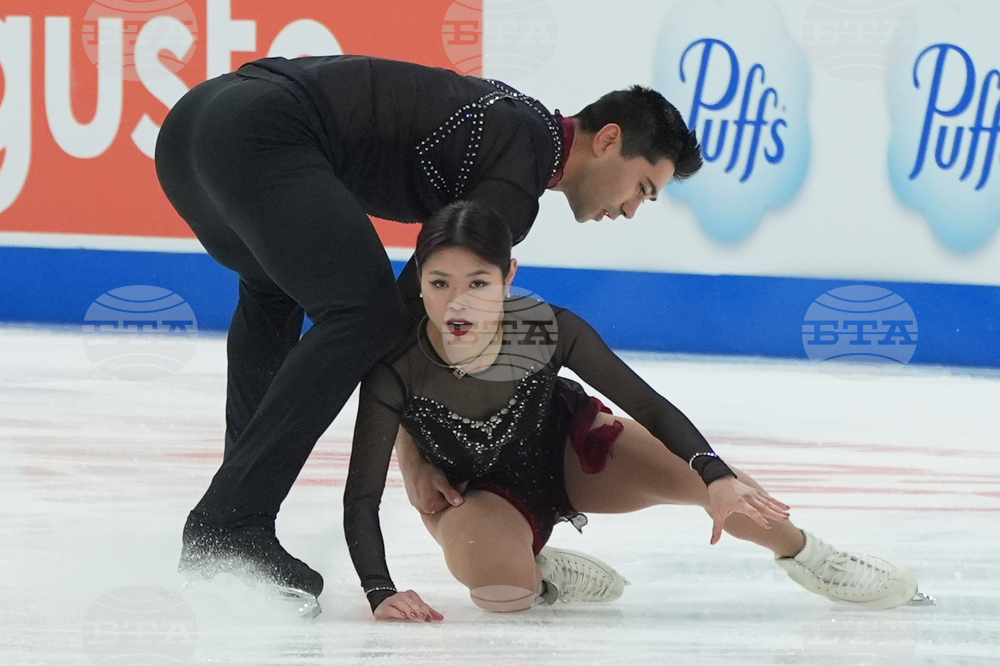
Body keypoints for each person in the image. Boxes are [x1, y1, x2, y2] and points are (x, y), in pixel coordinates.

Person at [154, 53, 698, 609]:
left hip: (193, 128)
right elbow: (412, 320)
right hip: (261, 133)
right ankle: (231, 522)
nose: (631, 210)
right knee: (365, 317)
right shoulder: (520, 171)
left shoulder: (520, 125)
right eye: (642, 187)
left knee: (273, 292)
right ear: (608, 140)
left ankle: (232, 523)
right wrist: (421, 460)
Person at [344, 200, 928, 621]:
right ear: (418, 279)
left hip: (571, 451)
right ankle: (536, 572)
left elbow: (647, 403)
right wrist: (379, 590)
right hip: (471, 492)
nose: (459, 302)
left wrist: (715, 472)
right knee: (502, 594)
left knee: (714, 486)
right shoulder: (396, 364)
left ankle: (810, 554)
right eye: (440, 283)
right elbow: (362, 495)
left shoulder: (545, 329)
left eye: (479, 282)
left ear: (509, 277)